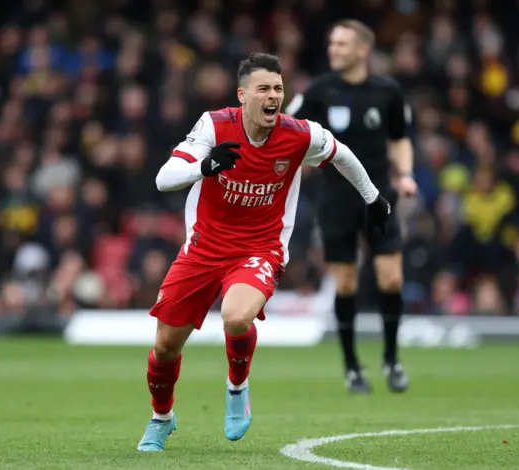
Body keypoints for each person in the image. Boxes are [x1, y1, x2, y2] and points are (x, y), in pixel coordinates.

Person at [137, 53, 391, 452]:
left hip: (259, 248)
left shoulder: (299, 134)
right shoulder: (215, 125)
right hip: (203, 249)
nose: (274, 96)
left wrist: (373, 199)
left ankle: (237, 386)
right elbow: (163, 178)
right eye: (264, 89)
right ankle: (162, 418)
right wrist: (205, 166)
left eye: (278, 88)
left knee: (236, 316)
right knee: (165, 347)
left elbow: (342, 154)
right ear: (243, 95)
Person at [286, 20, 417, 394]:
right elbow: (288, 127)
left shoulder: (387, 91)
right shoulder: (319, 90)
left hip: (377, 194)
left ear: (362, 49)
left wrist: (405, 173)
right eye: (331, 42)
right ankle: (352, 367)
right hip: (336, 198)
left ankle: (391, 359)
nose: (334, 49)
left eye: (342, 43)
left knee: (391, 277)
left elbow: (400, 138)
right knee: (344, 283)